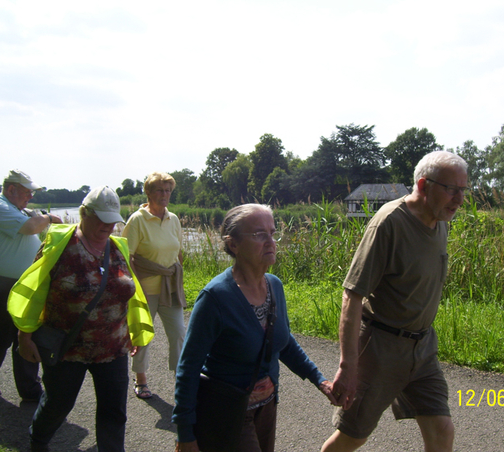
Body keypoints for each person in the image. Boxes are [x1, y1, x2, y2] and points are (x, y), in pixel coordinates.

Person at [320, 151, 468, 452]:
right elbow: (353, 295)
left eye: (463, 190)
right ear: (424, 185)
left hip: (423, 348)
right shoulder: (388, 223)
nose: (459, 199)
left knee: (442, 429)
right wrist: (349, 366)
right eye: (452, 189)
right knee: (352, 437)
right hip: (380, 349)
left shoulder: (440, 220)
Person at [172, 203, 338, 452]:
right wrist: (185, 433)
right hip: (228, 410)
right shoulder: (215, 297)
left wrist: (320, 380)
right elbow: (188, 368)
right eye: (259, 234)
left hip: (267, 407)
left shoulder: (275, 286)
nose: (270, 241)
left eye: (272, 232)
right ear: (233, 244)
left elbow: (283, 342)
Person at [7, 186, 154, 452]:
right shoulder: (59, 247)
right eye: (101, 218)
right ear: (84, 213)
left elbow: (129, 294)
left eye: (113, 220)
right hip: (67, 349)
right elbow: (37, 293)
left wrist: (134, 330)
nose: (108, 225)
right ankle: (38, 439)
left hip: (113, 347)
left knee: (114, 410)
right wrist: (24, 335)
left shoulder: (118, 248)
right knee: (58, 404)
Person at [0, 169, 62, 402]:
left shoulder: (17, 210)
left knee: (27, 333)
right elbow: (31, 227)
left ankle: (30, 390)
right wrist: (49, 218)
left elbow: (33, 222)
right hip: (0, 285)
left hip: (23, 284)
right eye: (26, 192)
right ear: (11, 189)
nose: (30, 196)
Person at [122, 171, 186, 399]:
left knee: (178, 333)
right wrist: (135, 289)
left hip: (169, 288)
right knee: (143, 336)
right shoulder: (137, 220)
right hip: (145, 289)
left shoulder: (174, 219)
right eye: (160, 190)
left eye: (168, 190)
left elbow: (178, 254)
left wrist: (178, 280)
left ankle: (182, 379)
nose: (165, 194)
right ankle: (141, 379)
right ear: (148, 192)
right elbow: (126, 257)